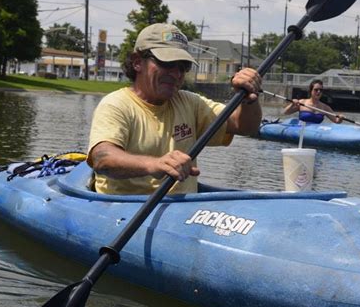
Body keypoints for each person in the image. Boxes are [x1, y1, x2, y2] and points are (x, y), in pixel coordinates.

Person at [87, 23, 262, 195]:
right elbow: (102, 158)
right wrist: (154, 165)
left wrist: (248, 100)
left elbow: (244, 126)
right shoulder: (116, 105)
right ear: (137, 62)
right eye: (167, 63)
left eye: (183, 67)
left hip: (182, 212)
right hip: (126, 212)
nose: (176, 74)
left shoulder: (189, 102)